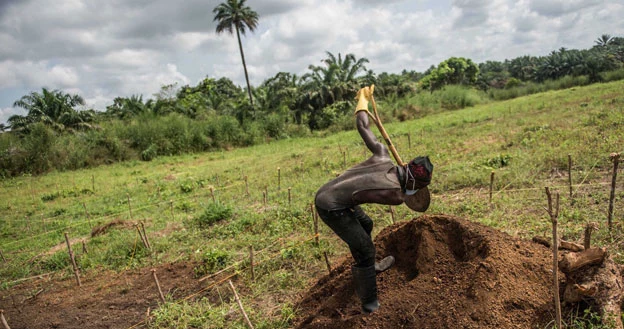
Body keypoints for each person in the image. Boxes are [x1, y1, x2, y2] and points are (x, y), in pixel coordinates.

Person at [314, 85, 433, 314]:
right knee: (366, 249)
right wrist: (409, 192)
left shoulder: (382, 153)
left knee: (366, 225)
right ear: (414, 185)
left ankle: (369, 266)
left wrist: (362, 102)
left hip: (334, 193)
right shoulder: (395, 195)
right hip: (331, 207)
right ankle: (369, 304)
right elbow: (402, 196)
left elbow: (362, 124)